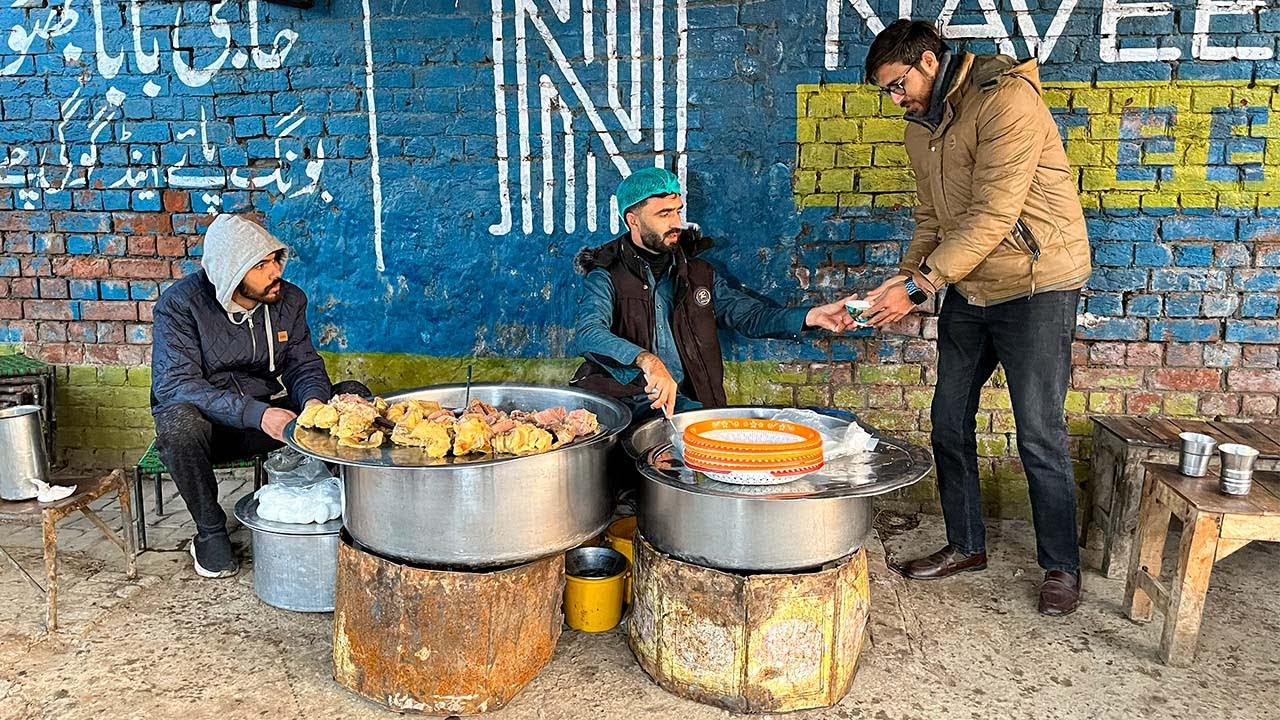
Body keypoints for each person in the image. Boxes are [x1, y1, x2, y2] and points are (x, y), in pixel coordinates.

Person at [861, 20, 1092, 616]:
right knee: (947, 421)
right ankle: (966, 545)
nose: (896, 100)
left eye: (896, 86)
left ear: (928, 62)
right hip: (972, 285)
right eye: (887, 93)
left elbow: (994, 214)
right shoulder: (922, 129)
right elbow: (932, 219)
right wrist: (905, 277)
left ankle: (1061, 566)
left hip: (1037, 282)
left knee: (1039, 432)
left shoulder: (1007, 98)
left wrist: (922, 285)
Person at [150, 214, 368, 579]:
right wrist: (257, 414)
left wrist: (314, 402)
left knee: (351, 397)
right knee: (178, 423)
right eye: (261, 265)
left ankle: (346, 513)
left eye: (274, 260)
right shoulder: (179, 307)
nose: (275, 272)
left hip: (269, 417)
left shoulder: (289, 300)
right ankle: (210, 532)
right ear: (231, 272)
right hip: (215, 430)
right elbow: (175, 385)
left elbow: (303, 364)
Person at [570, 166, 859, 423]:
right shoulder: (606, 273)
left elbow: (750, 316)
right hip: (630, 400)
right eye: (663, 214)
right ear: (633, 220)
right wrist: (648, 361)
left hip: (689, 405)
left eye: (678, 211)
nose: (676, 223)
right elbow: (588, 332)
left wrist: (811, 316)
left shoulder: (698, 273)